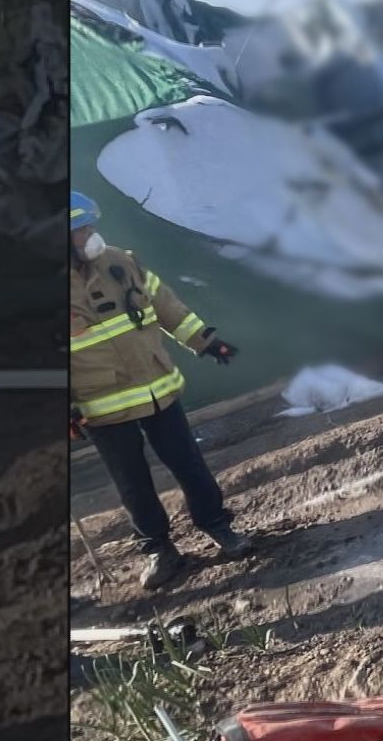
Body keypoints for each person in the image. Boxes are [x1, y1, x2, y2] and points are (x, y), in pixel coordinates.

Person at [68, 191, 251, 591]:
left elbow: (165, 304)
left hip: (158, 389)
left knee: (189, 463)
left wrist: (205, 341)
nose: (91, 234)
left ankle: (217, 525)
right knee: (132, 482)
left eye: (89, 225)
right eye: (81, 229)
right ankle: (159, 550)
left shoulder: (121, 262)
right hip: (102, 407)